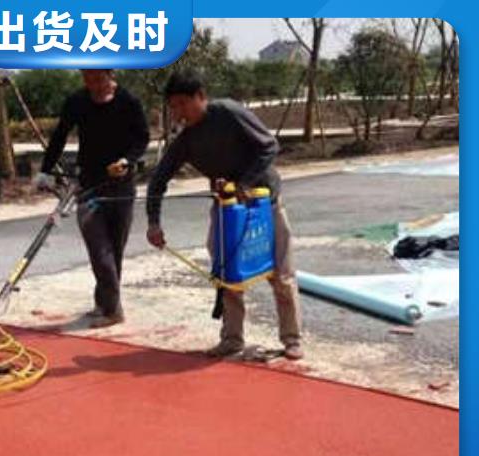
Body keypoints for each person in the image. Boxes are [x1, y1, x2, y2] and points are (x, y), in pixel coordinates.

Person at [146, 71, 303, 360]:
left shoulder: (228, 113)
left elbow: (269, 146)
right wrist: (153, 222)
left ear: (200, 97)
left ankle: (292, 338)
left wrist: (244, 183)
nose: (179, 112)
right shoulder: (186, 140)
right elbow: (158, 180)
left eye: (183, 103)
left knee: (281, 273)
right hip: (227, 211)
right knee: (227, 276)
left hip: (264, 204)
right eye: (173, 106)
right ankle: (232, 339)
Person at [35, 70, 149, 327]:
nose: (94, 86)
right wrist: (45, 170)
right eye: (88, 80)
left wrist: (127, 161)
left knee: (114, 249)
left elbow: (142, 138)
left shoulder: (128, 101)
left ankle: (105, 303)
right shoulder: (77, 101)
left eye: (99, 79)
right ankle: (112, 309)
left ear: (111, 74)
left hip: (121, 186)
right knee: (99, 248)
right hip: (89, 185)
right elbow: (60, 135)